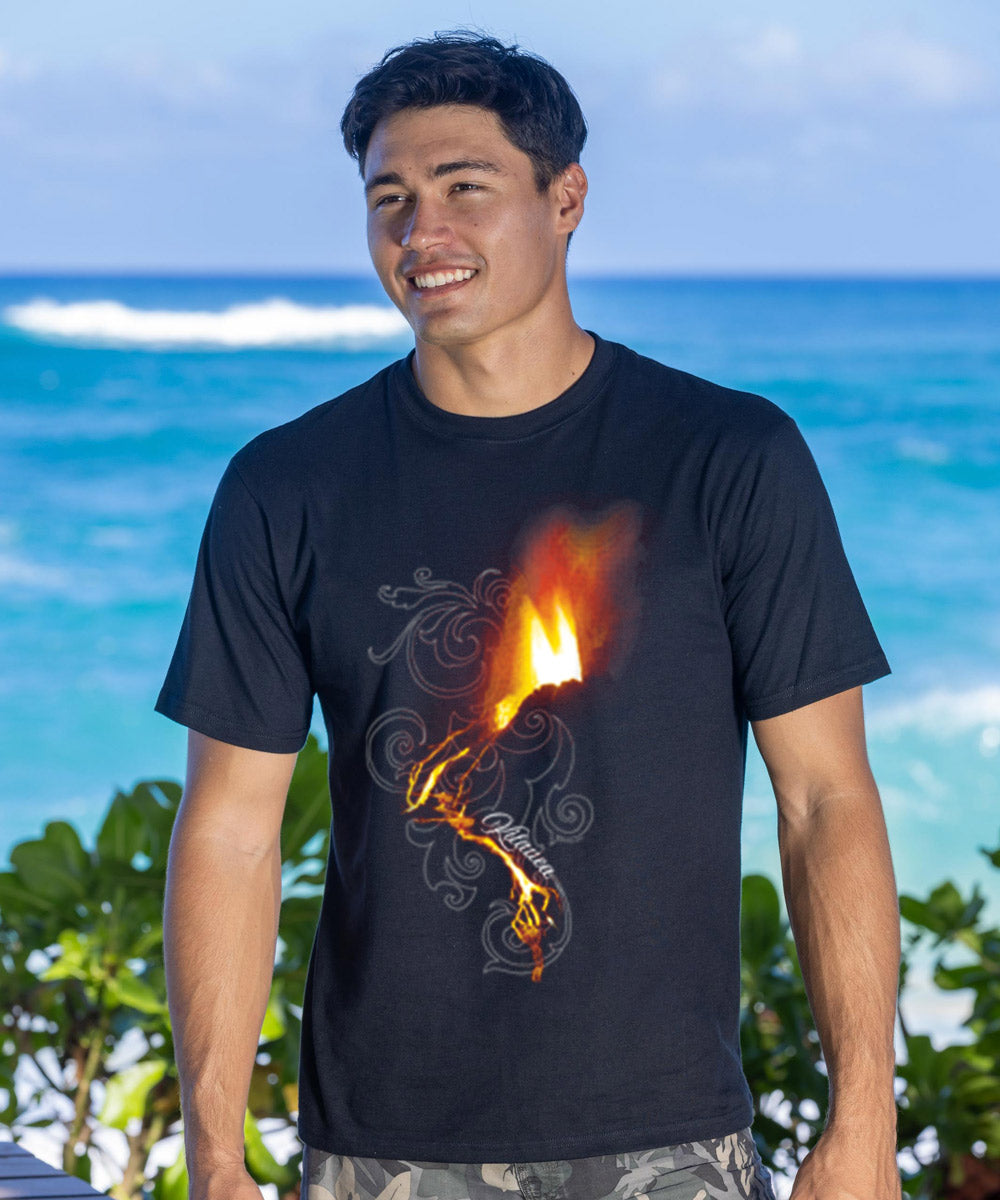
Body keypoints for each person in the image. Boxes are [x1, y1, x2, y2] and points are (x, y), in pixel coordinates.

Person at [156, 31, 903, 1200]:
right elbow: (231, 834)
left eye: (465, 188)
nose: (420, 234)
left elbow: (825, 802)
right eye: (389, 199)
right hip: (381, 1145)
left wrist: (861, 1126)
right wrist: (213, 1153)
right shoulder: (287, 486)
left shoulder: (727, 457)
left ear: (566, 200)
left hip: (668, 1134)